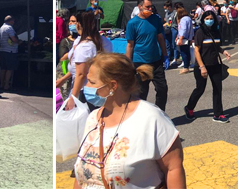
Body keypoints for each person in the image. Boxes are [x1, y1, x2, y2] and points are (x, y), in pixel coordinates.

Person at [73, 53, 185, 189]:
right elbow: (81, 175)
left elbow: (173, 168)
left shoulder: (151, 118)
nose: (86, 86)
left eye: (92, 82)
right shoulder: (92, 118)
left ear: (112, 86)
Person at [184, 9, 232, 123]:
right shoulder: (200, 32)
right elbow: (196, 51)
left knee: (217, 88)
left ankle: (218, 114)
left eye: (211, 19)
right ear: (203, 20)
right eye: (207, 19)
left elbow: (216, 45)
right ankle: (189, 107)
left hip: (215, 65)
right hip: (202, 66)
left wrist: (223, 51)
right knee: (200, 89)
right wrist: (202, 67)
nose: (209, 21)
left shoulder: (216, 31)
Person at [124, 0, 168, 110]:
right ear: (140, 6)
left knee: (162, 88)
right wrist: (128, 64)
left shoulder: (155, 19)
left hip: (156, 61)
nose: (150, 9)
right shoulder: (133, 23)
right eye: (147, 7)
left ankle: (160, 113)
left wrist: (165, 55)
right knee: (142, 93)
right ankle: (142, 116)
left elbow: (160, 38)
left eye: (151, 7)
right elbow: (130, 45)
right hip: (140, 63)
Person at [58, 10, 102, 110]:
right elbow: (77, 69)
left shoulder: (84, 47)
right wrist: (63, 79)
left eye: (74, 22)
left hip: (82, 91)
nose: (70, 24)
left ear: (78, 24)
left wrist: (73, 98)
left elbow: (81, 74)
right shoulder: (84, 42)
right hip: (81, 89)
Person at [0, 15, 19, 91]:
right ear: (11, 21)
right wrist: (18, 41)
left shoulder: (1, 28)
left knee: (3, 68)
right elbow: (13, 39)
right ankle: (6, 85)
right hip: (10, 51)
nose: (13, 22)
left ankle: (1, 84)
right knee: (9, 69)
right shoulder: (9, 28)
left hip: (2, 49)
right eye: (13, 21)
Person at [175, 5, 193, 74]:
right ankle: (187, 66)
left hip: (183, 38)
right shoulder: (188, 18)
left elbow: (183, 29)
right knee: (187, 52)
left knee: (183, 53)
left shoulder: (183, 19)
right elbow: (190, 29)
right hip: (188, 38)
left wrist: (180, 38)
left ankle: (185, 67)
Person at [162, 1, 177, 69]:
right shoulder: (167, 13)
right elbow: (167, 21)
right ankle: (167, 58)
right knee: (167, 44)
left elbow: (172, 22)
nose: (166, 10)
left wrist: (168, 24)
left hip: (173, 28)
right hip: (167, 30)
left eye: (166, 8)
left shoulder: (175, 13)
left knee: (174, 44)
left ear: (169, 7)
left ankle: (175, 58)